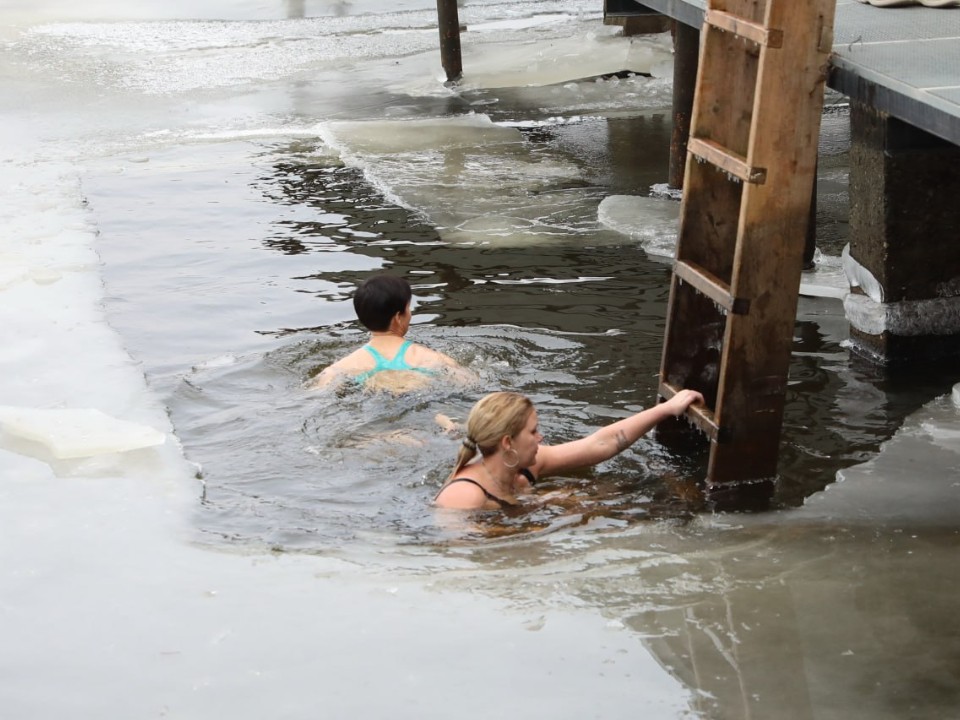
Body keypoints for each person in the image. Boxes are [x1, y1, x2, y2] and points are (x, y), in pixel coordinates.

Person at [433, 389, 705, 510]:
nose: (541, 437)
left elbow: (601, 444)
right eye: (532, 431)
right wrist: (535, 510)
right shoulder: (463, 496)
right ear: (507, 443)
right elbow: (460, 562)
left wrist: (666, 409)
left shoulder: (528, 466)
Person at [308, 274, 473, 390]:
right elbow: (469, 384)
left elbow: (317, 394)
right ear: (397, 317)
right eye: (408, 308)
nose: (410, 313)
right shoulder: (432, 358)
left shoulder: (342, 367)